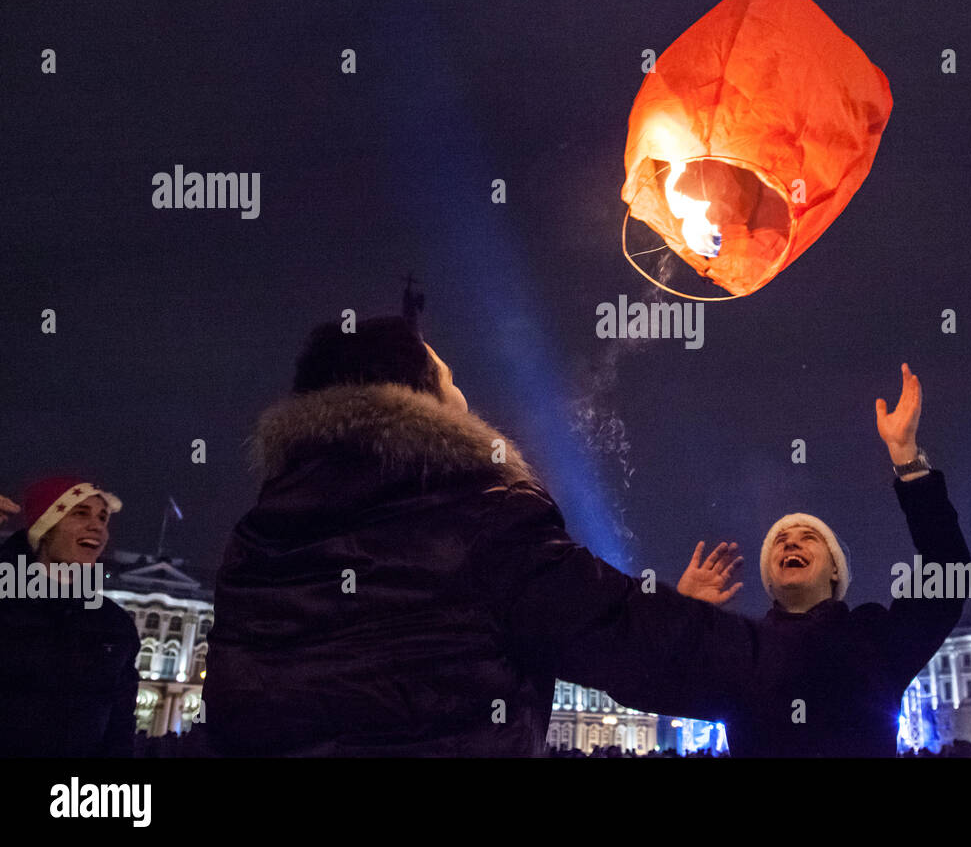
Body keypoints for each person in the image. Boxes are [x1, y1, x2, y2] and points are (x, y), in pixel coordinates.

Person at [197, 316, 756, 756]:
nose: (463, 392)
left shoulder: (255, 538)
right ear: (417, 400)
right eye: (448, 377)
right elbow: (614, 633)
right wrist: (791, 656)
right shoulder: (483, 517)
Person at [673, 363, 971, 755]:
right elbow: (650, 682)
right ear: (768, 576)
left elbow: (948, 571)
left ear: (835, 569)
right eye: (780, 541)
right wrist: (681, 615)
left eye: (808, 537)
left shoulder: (873, 636)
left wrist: (907, 458)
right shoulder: (739, 649)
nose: (790, 545)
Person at [0, 478, 140, 757]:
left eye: (103, 517)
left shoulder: (115, 623)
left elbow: (119, 724)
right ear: (45, 529)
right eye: (80, 513)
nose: (97, 525)